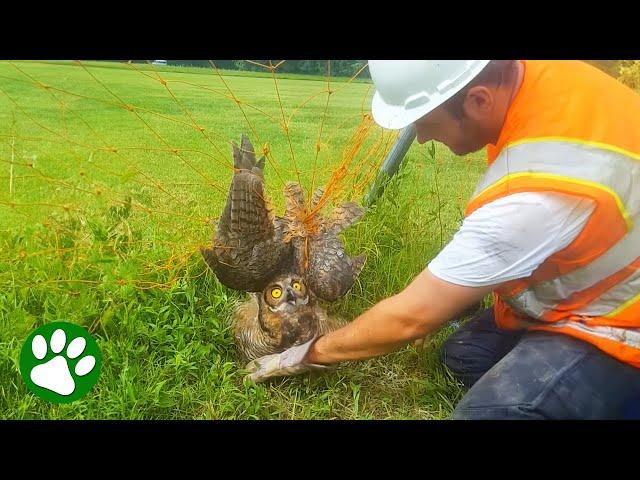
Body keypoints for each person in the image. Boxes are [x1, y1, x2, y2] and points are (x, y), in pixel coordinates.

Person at [246, 60, 640, 419]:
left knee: (490, 413)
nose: (419, 138)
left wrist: (302, 356)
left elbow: (408, 319)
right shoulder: (535, 77)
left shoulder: (537, 195)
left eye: (424, 121)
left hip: (619, 326)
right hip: (582, 293)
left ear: (478, 100)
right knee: (462, 355)